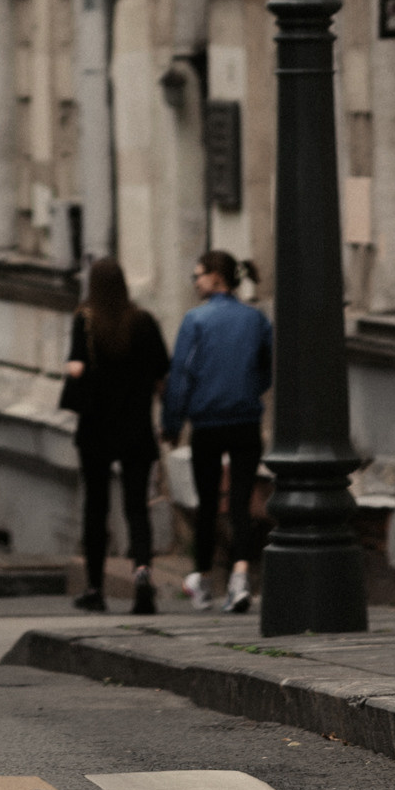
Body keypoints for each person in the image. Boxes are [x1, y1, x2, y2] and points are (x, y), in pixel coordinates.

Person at [161, 245, 272, 613]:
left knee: (207, 502)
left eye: (197, 275)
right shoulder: (255, 319)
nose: (194, 283)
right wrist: (247, 393)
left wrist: (172, 424)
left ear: (215, 277)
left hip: (207, 423)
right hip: (245, 421)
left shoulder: (195, 321)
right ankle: (240, 578)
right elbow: (266, 368)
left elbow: (180, 378)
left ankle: (204, 579)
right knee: (240, 500)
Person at [62, 255, 168, 617]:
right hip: (136, 428)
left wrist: (76, 371)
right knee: (137, 508)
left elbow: (76, 364)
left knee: (96, 507)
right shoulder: (143, 321)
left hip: (95, 429)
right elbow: (162, 370)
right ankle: (142, 577)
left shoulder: (85, 321)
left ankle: (94, 587)